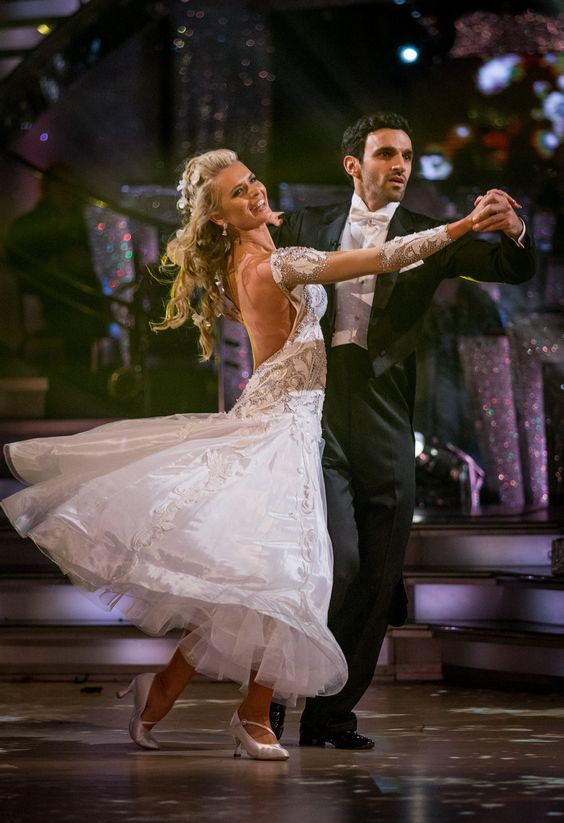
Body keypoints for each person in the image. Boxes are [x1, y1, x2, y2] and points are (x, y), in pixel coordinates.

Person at [1, 148, 498, 761]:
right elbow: (384, 256)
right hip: (281, 430)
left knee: (266, 584)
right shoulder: (279, 263)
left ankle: (175, 700)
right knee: (284, 580)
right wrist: (460, 227)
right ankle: (245, 714)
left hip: (290, 419)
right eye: (238, 195)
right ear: (218, 218)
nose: (254, 194)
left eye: (252, 183)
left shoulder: (247, 258)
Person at [269, 111, 536, 750]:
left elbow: (511, 268)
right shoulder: (305, 223)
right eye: (387, 154)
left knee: (379, 570)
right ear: (353, 165)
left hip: (386, 408)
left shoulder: (429, 234)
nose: (400, 166)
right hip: (316, 402)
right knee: (331, 559)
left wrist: (516, 229)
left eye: (408, 156)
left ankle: (333, 715)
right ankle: (273, 695)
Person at [5, 164, 108, 365]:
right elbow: (21, 265)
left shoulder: (85, 224)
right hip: (56, 296)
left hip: (84, 297)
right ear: (48, 188)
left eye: (71, 186)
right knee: (78, 321)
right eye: (61, 185)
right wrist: (59, 263)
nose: (67, 191)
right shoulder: (30, 224)